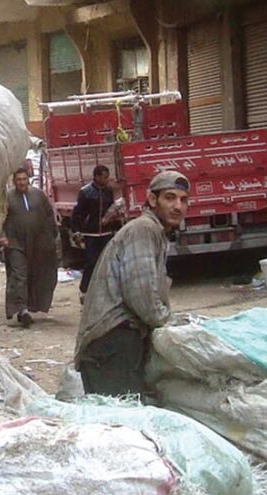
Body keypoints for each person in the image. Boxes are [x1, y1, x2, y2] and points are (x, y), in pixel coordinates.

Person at [75, 168, 187, 396]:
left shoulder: (155, 232)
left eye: (183, 200)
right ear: (152, 199)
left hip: (121, 342)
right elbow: (142, 297)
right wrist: (171, 324)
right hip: (112, 343)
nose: (178, 206)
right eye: (170, 198)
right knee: (122, 415)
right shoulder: (143, 229)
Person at [0, 166, 59, 328]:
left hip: (37, 242)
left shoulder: (38, 195)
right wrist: (2, 236)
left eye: (24, 179)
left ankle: (33, 304)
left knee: (37, 273)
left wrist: (52, 236)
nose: (22, 182)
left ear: (28, 180)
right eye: (18, 180)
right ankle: (21, 309)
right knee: (19, 275)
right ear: (14, 181)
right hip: (15, 242)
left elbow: (49, 216)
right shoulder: (7, 197)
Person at [69, 163, 124, 280]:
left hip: (106, 233)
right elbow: (77, 214)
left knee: (107, 262)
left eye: (107, 177)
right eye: (104, 177)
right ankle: (85, 287)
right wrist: (76, 231)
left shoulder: (108, 191)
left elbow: (111, 209)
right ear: (97, 177)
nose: (107, 180)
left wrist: (112, 220)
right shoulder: (86, 192)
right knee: (91, 263)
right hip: (91, 234)